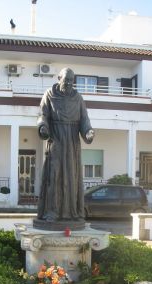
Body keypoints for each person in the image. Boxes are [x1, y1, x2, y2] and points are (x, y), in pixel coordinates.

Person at [35, 67, 94, 228]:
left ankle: (72, 213)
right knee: (54, 176)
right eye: (66, 79)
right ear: (59, 78)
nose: (68, 83)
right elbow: (43, 114)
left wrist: (88, 131)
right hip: (56, 139)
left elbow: (84, 119)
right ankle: (51, 213)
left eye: (71, 80)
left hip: (72, 141)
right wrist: (43, 127)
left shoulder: (78, 98)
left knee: (72, 177)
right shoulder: (49, 94)